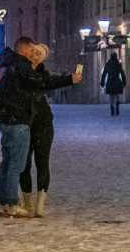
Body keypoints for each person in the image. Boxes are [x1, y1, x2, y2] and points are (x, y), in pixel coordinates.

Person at [18, 43, 81, 218]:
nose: (36, 55)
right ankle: (27, 201)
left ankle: (40, 203)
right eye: (34, 52)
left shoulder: (43, 75)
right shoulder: (22, 72)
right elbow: (42, 82)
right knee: (24, 163)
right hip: (24, 122)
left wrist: (70, 79)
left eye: (40, 54)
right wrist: (68, 79)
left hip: (43, 122)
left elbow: (50, 82)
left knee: (42, 162)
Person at [0, 36, 49, 217]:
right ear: (23, 50)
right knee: (16, 164)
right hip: (18, 121)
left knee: (7, 163)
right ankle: (12, 204)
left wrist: (6, 106)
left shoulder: (6, 65)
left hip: (6, 120)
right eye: (31, 50)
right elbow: (40, 82)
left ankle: (3, 202)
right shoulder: (20, 66)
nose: (33, 53)